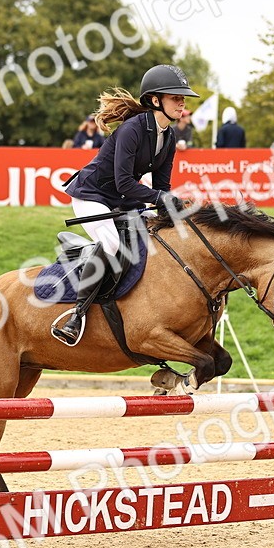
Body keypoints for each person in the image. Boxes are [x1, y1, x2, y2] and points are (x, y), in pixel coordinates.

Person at [55, 64, 199, 344]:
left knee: (151, 242)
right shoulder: (132, 129)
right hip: (92, 196)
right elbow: (124, 183)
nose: (182, 102)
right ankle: (76, 316)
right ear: (156, 100)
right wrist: (161, 199)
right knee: (110, 245)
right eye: (175, 97)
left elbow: (161, 187)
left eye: (182, 98)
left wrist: (172, 212)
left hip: (122, 200)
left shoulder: (169, 136)